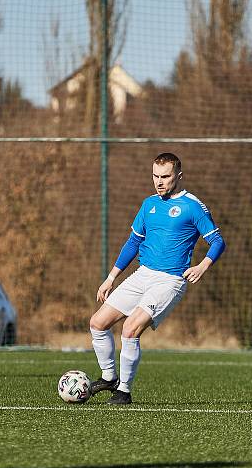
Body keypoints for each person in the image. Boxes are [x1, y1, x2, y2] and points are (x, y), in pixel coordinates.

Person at [88, 152, 225, 405]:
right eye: (155, 176)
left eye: (165, 176)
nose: (159, 182)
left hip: (170, 281)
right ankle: (109, 377)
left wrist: (203, 266)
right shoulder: (148, 204)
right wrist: (111, 278)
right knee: (97, 323)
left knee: (130, 330)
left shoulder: (193, 206)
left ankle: (124, 392)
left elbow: (217, 241)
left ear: (178, 176)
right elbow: (133, 243)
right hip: (142, 275)